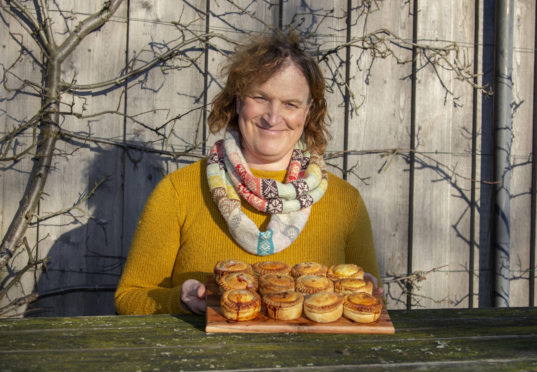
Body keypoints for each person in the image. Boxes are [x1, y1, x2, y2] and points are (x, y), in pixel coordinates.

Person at [114, 32, 381, 315]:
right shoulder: (179, 191)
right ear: (238, 100)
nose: (273, 116)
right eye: (260, 97)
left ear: (308, 111)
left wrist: (369, 295)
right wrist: (179, 302)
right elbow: (129, 298)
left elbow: (373, 305)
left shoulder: (345, 202)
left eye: (291, 104)